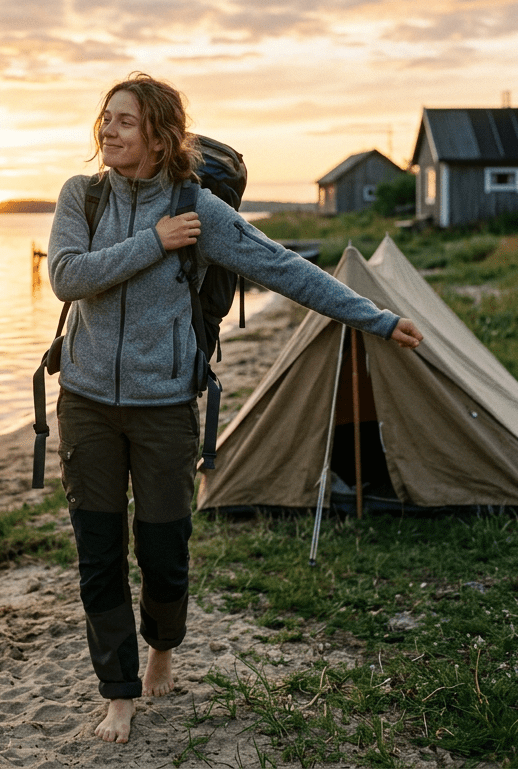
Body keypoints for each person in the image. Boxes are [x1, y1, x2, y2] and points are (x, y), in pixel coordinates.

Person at [47, 73, 423, 745]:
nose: (108, 128)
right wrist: (155, 243)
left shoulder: (199, 210)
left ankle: (163, 644)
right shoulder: (84, 195)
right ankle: (119, 691)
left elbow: (283, 268)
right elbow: (67, 276)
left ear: (160, 136)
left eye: (125, 121)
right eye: (105, 117)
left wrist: (374, 317)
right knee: (98, 552)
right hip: (85, 405)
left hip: (164, 406)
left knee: (164, 548)